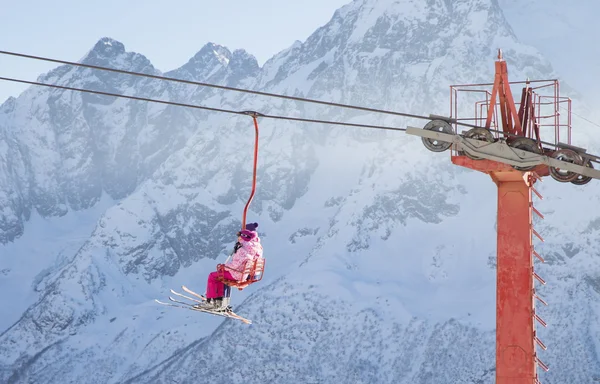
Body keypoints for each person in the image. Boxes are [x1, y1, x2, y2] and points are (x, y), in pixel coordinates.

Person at [199, 222, 263, 311]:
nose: (238, 236)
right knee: (223, 278)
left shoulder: (243, 249)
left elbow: (235, 265)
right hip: (247, 274)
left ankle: (211, 302)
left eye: (240, 234)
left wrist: (224, 267)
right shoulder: (257, 247)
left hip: (238, 274)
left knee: (213, 276)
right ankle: (223, 303)